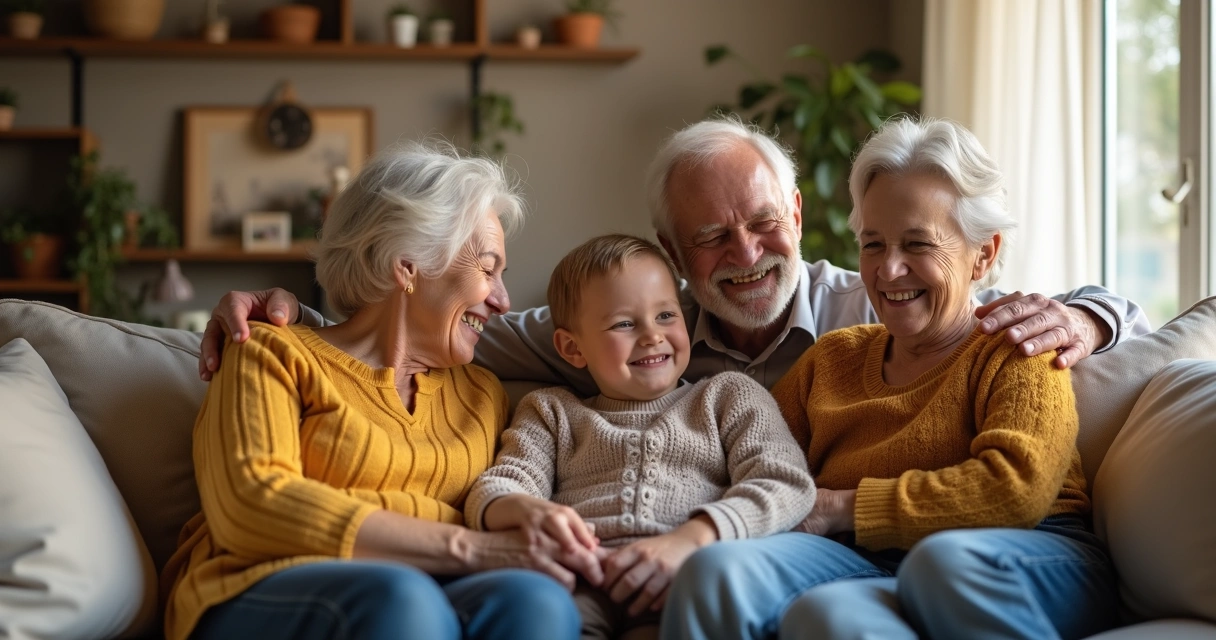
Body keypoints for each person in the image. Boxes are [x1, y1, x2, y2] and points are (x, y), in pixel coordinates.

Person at [196, 116, 1148, 397]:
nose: (745, 253)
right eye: (710, 237)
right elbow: (437, 328)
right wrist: (295, 316)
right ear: (669, 251)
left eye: (762, 222)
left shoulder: (876, 299)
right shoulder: (622, 331)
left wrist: (1090, 313)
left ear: (800, 212)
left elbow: (1129, 310)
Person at [660, 117, 1121, 639]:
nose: (888, 270)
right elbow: (753, 463)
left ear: (984, 254)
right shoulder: (832, 360)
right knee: (723, 577)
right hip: (873, 560)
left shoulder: (1018, 348)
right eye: (874, 244)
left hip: (1030, 551)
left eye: (918, 244)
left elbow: (1015, 492)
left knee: (942, 564)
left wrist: (843, 506)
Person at [159, 142, 592, 640]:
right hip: (256, 588)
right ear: (407, 265)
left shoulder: (481, 394)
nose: (502, 300)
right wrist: (468, 549)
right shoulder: (268, 353)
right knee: (403, 601)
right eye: (487, 268)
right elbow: (251, 506)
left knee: (534, 601)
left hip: (430, 588)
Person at [464, 234, 816, 640]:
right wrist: (525, 510)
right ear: (572, 348)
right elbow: (498, 485)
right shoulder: (551, 411)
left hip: (683, 582)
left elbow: (785, 482)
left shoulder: (728, 396)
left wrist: (694, 538)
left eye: (666, 315)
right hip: (581, 584)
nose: (652, 335)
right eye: (624, 324)